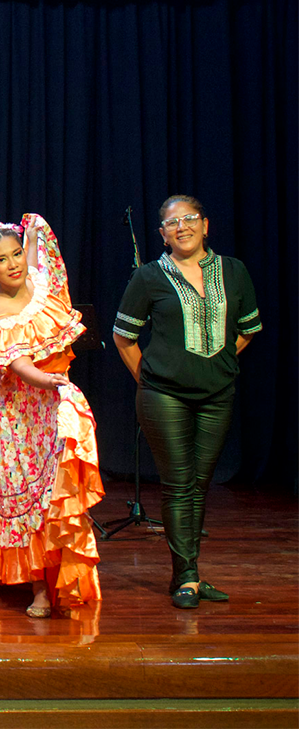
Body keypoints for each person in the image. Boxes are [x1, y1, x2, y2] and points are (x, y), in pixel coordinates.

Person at [113, 195, 260, 609]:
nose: (182, 227)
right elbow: (124, 337)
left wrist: (217, 360)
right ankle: (188, 577)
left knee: (199, 486)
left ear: (205, 225)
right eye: (172, 223)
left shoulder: (233, 271)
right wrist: (151, 379)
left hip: (217, 394)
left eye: (190, 219)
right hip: (164, 396)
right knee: (179, 486)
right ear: (162, 234)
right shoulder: (148, 277)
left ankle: (190, 570)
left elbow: (247, 329)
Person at [0, 216, 103, 617]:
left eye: (16, 254)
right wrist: (51, 381)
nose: (14, 264)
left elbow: (39, 258)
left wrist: (34, 233)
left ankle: (67, 579)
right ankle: (39, 588)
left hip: (52, 406)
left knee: (57, 491)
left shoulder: (40, 284)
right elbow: (19, 365)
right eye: (2, 260)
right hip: (19, 418)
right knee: (28, 496)